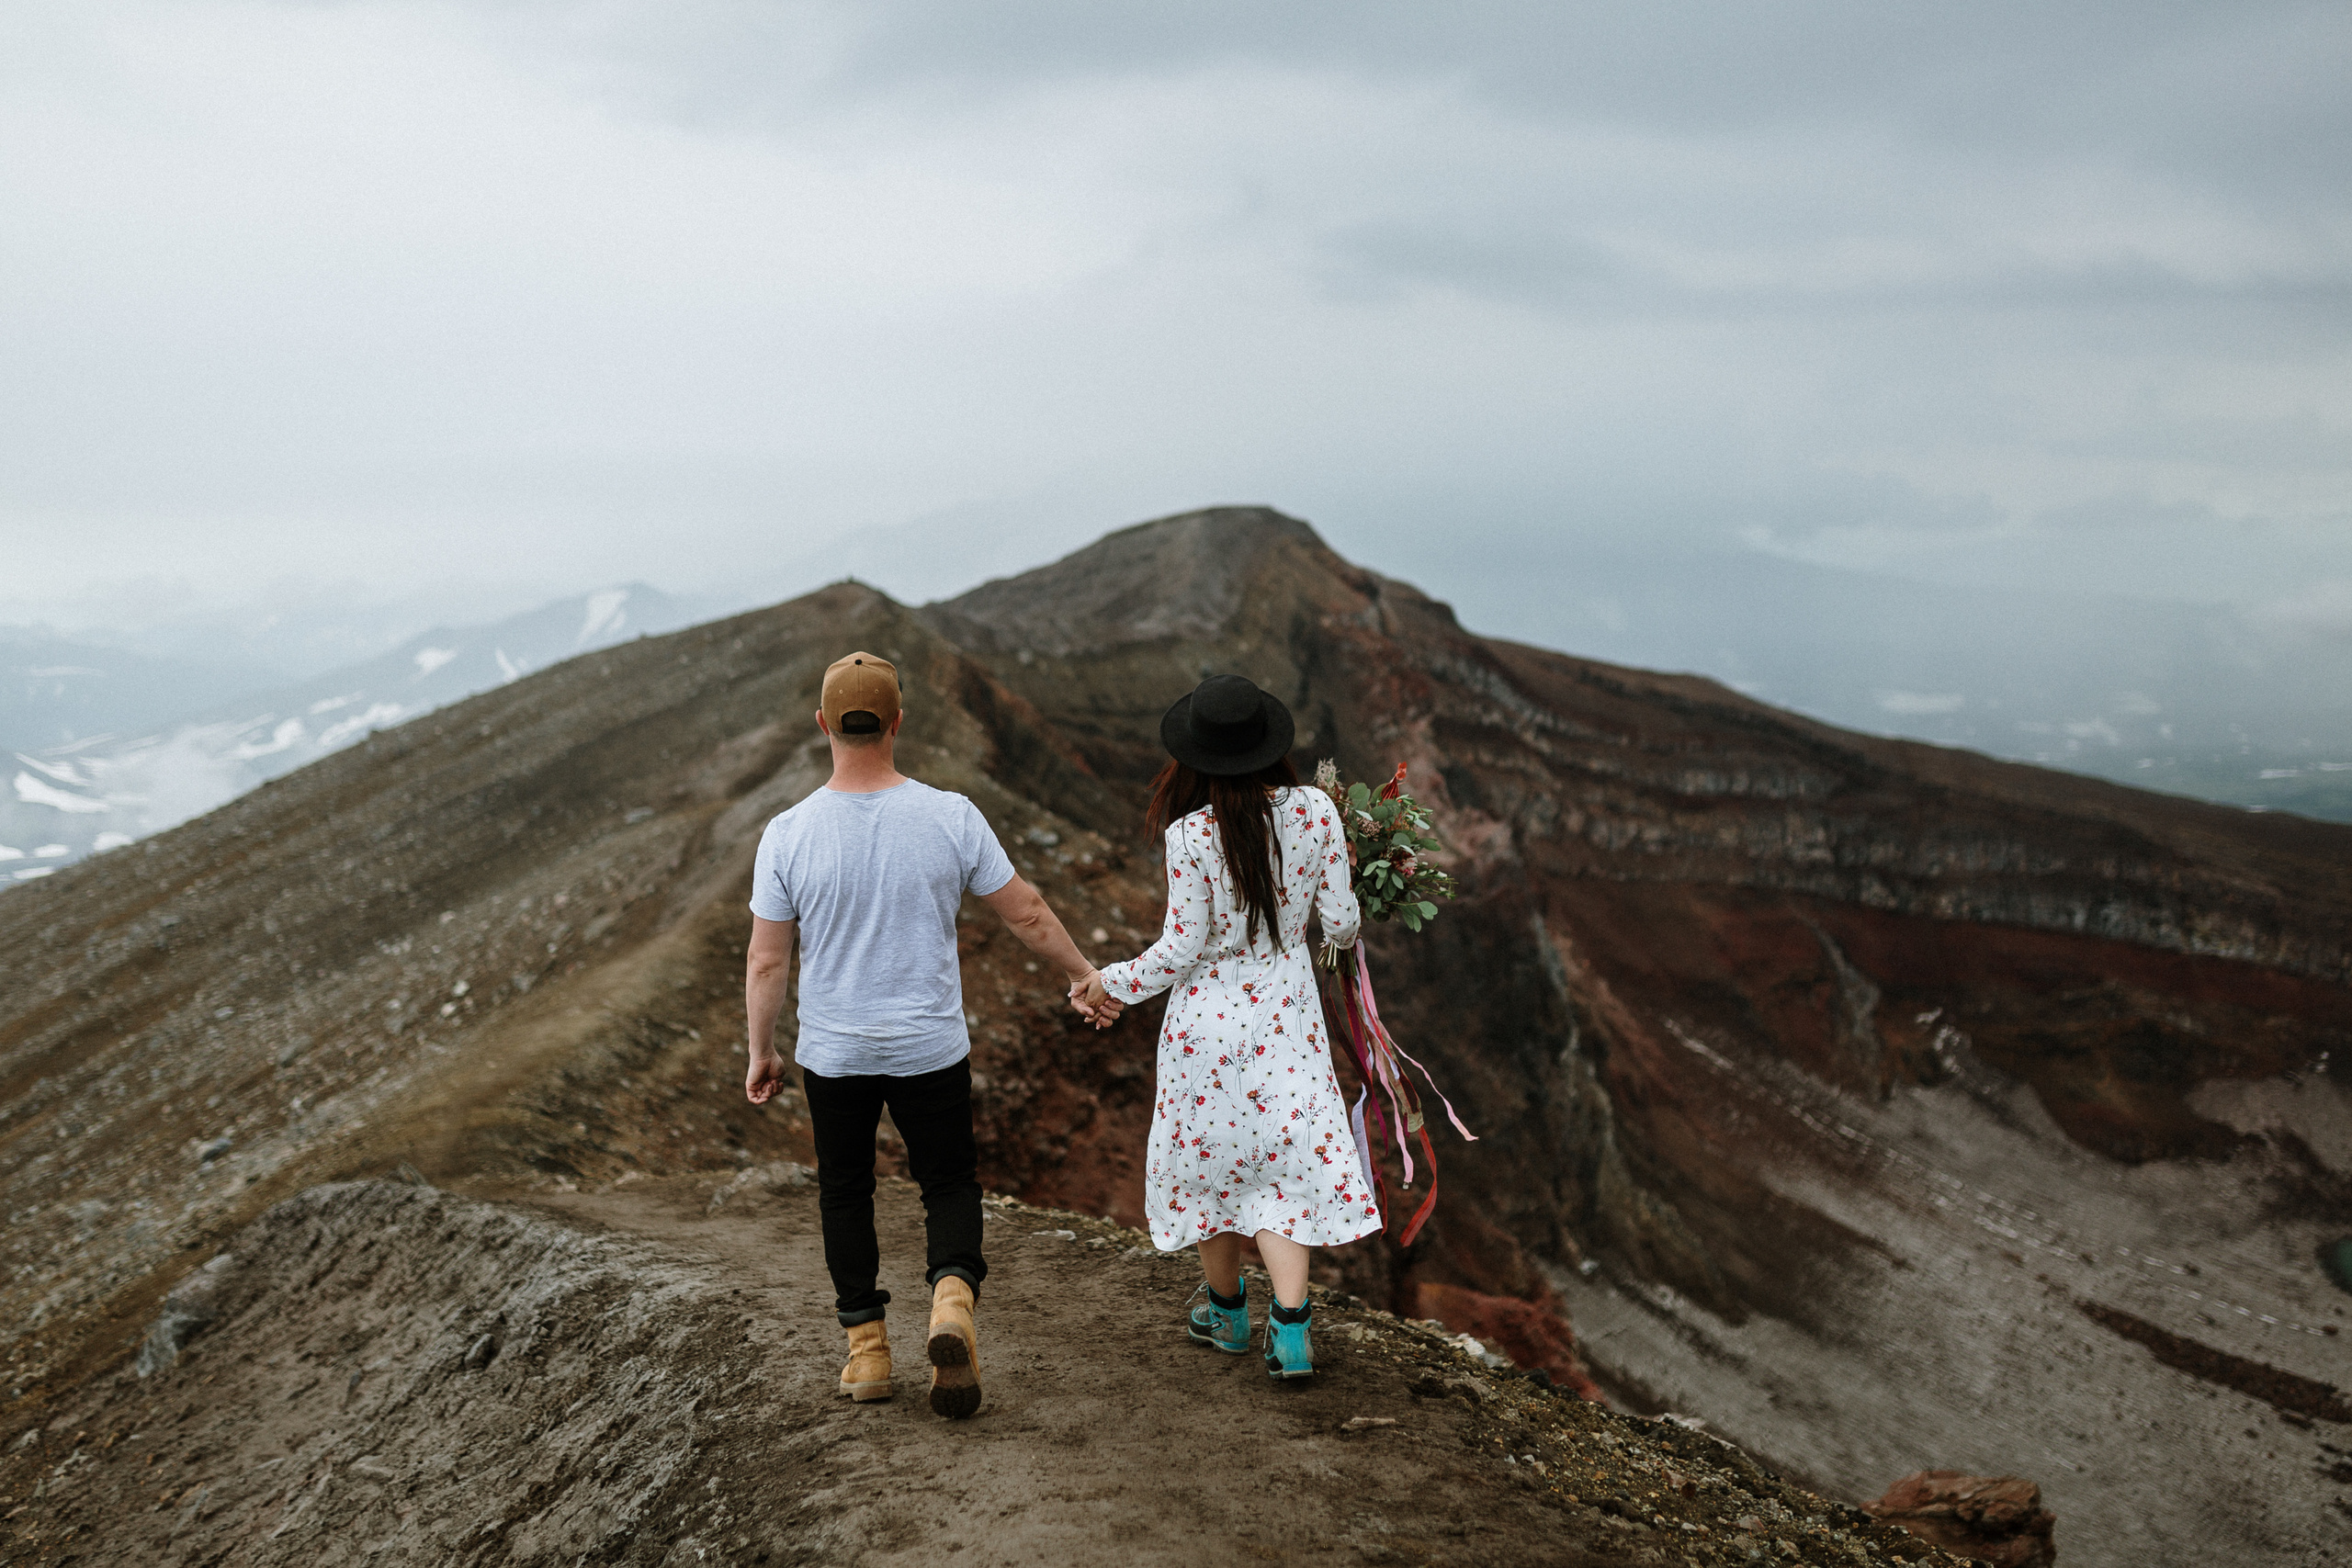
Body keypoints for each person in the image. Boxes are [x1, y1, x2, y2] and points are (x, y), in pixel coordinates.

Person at [743, 650, 1112, 1419]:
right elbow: (1028, 911)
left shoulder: (787, 833)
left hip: (836, 1053)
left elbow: (767, 959)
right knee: (947, 1181)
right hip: (928, 1048)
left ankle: (868, 1353)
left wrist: (762, 1050)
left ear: (823, 726)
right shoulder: (951, 815)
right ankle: (950, 1301)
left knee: (846, 1192)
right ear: (898, 721)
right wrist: (1082, 973)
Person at [1076, 673, 1374, 1380]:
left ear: (1198, 757)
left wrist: (1104, 983)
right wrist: (1337, 936)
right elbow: (1341, 920)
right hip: (1287, 1016)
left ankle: (1227, 1314)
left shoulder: (1190, 834)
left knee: (1216, 1171)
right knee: (1283, 1171)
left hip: (1205, 1025)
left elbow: (1179, 950)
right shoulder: (1317, 812)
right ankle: (1293, 1333)